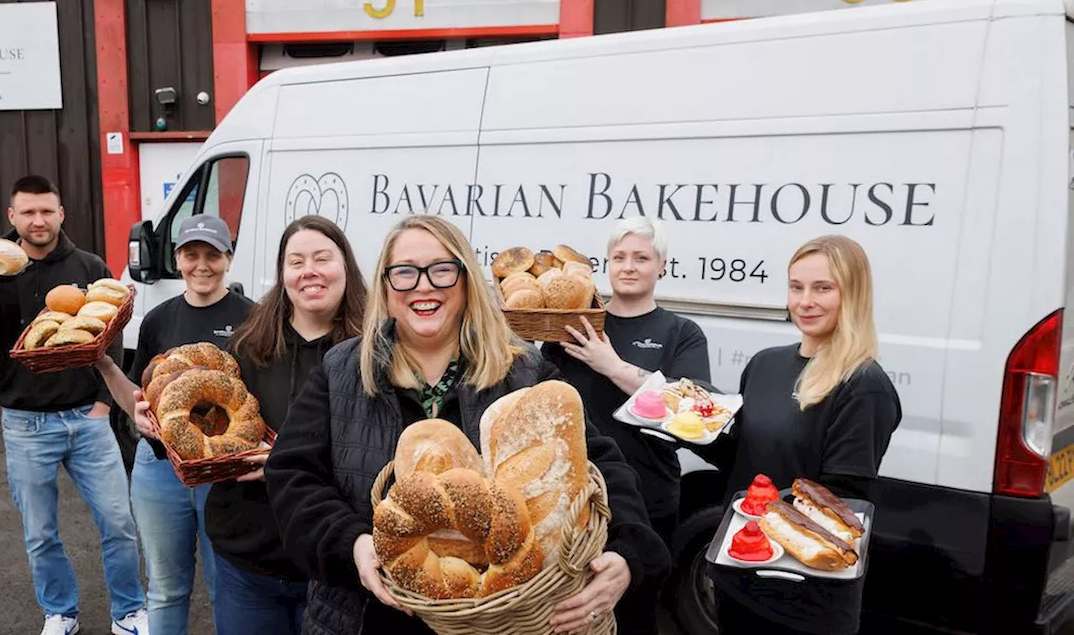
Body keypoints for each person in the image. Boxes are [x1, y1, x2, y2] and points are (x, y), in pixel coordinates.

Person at [264, 214, 673, 635]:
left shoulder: (523, 370)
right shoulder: (342, 371)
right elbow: (293, 476)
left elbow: (599, 464)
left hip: (502, 620)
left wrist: (628, 552)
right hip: (364, 616)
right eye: (405, 272)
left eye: (442, 269)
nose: (423, 285)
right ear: (386, 287)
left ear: (466, 281)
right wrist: (352, 544)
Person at [0, 175, 146, 635]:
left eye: (47, 211)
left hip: (86, 417)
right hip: (25, 423)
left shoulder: (88, 266)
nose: (38, 220)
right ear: (12, 217)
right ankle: (60, 612)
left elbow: (113, 340)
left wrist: (105, 405)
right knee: (40, 532)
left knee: (119, 523)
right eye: (28, 212)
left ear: (61, 213)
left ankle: (129, 613)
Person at [705, 235, 902, 635]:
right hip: (740, 572)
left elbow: (841, 500)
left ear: (853, 294)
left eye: (822, 288)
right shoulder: (765, 364)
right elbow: (742, 458)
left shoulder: (863, 385)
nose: (805, 301)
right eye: (796, 287)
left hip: (805, 599)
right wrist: (684, 429)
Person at [196, 215, 367, 635]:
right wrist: (154, 426)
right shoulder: (245, 347)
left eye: (322, 258)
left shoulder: (372, 356)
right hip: (249, 561)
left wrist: (284, 461)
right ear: (283, 274)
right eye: (296, 261)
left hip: (336, 568)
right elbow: (203, 431)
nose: (309, 270)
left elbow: (380, 451)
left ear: (346, 267)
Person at [542, 217, 711, 634]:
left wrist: (614, 367)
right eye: (619, 257)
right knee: (568, 611)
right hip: (572, 501)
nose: (629, 266)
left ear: (663, 266)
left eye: (641, 257)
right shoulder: (574, 326)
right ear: (607, 264)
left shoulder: (681, 333)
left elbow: (692, 408)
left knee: (636, 612)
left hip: (649, 496)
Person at [94, 213, 254, 635]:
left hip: (225, 475)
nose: (202, 265)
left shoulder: (252, 319)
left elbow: (254, 405)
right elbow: (143, 397)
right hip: (160, 469)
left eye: (212, 255)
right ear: (177, 259)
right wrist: (110, 372)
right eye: (191, 254)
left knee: (230, 585)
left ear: (228, 259)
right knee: (165, 589)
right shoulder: (158, 319)